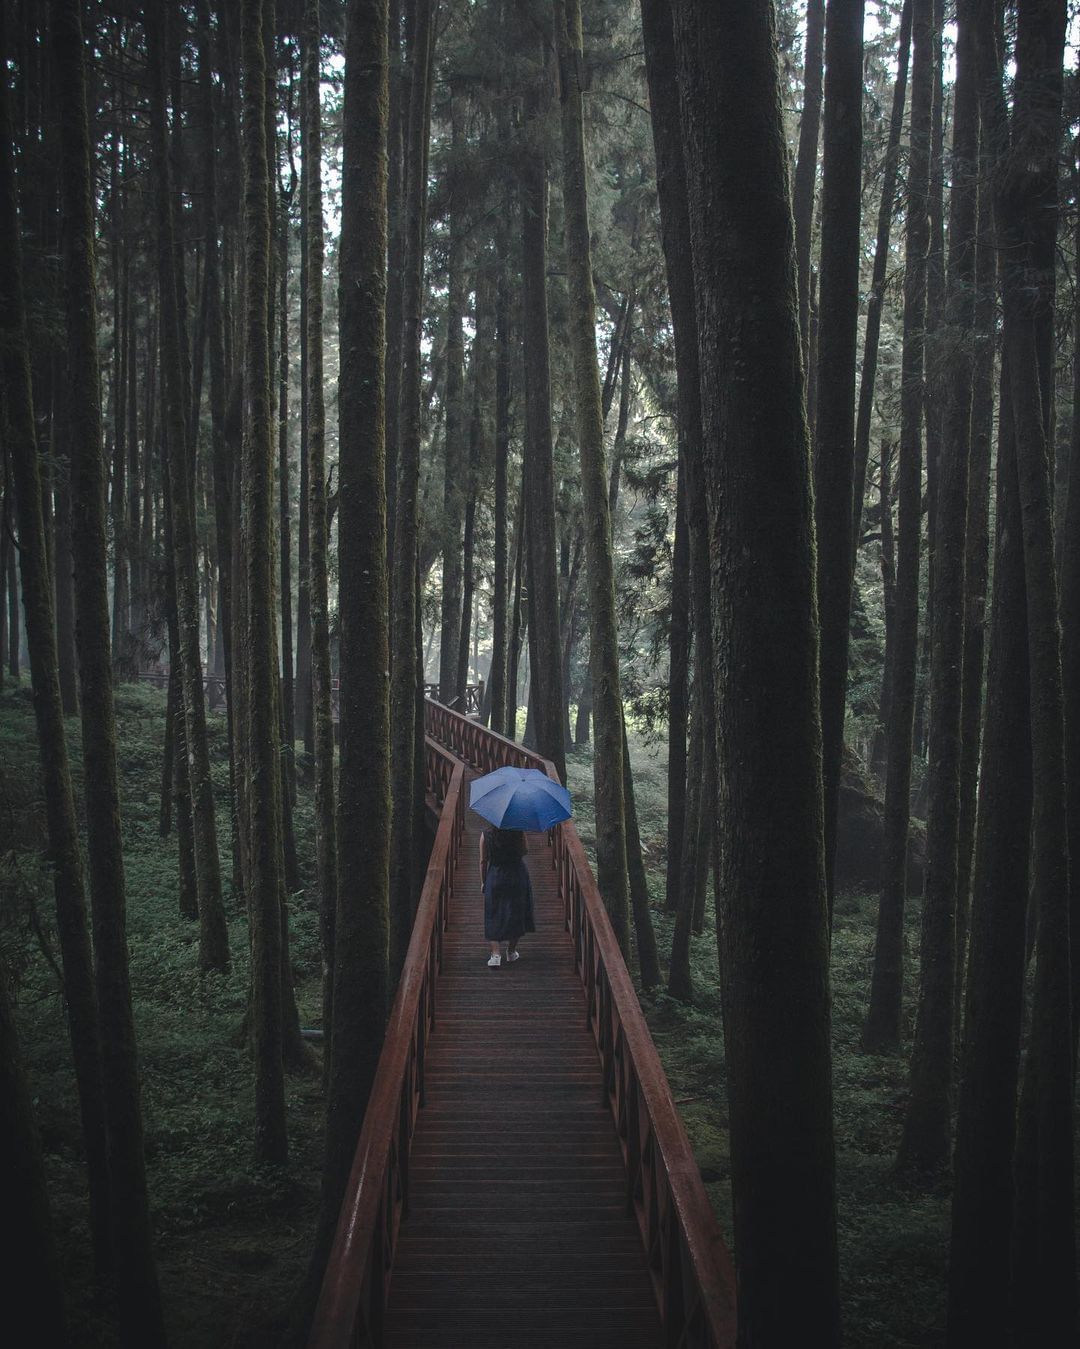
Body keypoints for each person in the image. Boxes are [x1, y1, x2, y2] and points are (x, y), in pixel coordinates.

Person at [479, 825, 535, 967]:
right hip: (517, 875)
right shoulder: (518, 831)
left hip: (496, 875)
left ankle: (495, 954)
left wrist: (484, 881)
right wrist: (522, 834)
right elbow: (525, 851)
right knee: (516, 912)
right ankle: (511, 952)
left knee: (493, 912)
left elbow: (483, 861)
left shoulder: (486, 835)